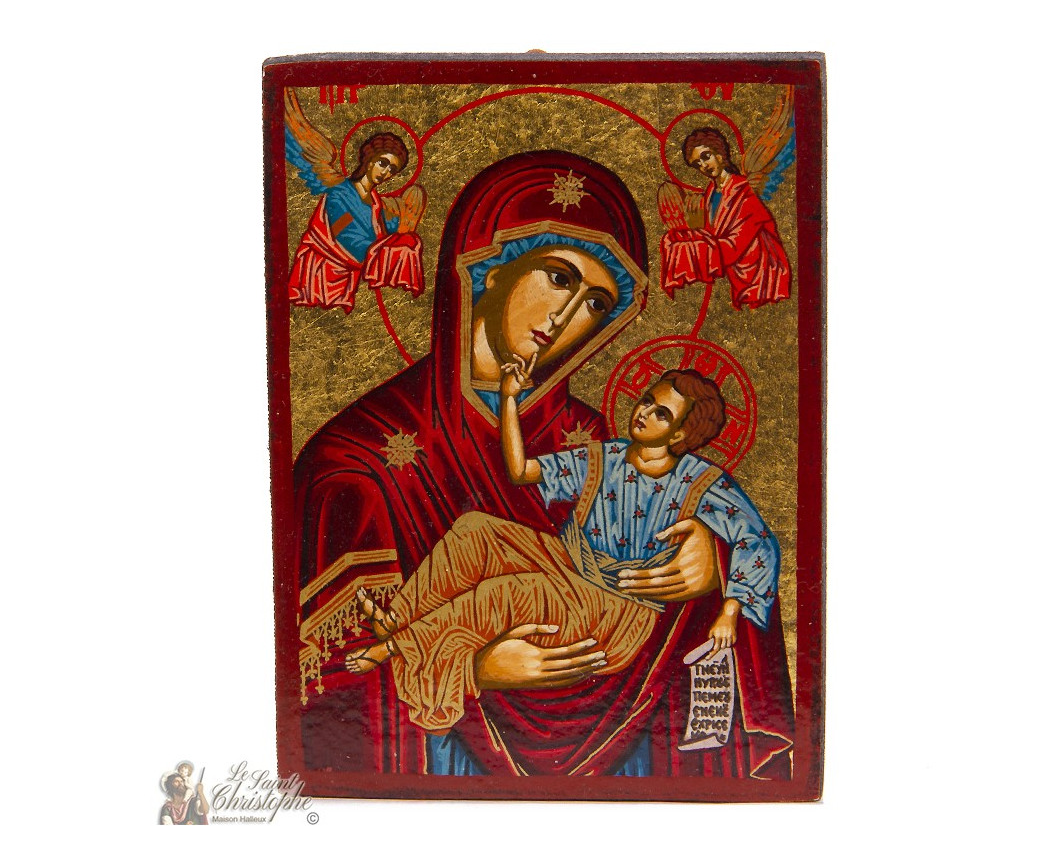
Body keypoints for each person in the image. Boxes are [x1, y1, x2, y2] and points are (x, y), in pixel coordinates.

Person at [290, 150, 793, 779]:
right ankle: (401, 630)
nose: (565, 317)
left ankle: (404, 641)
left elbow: (739, 548)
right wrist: (474, 667)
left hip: (607, 643)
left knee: (509, 588)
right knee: (475, 534)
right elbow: (324, 697)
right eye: (558, 276)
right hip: (445, 757)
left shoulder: (596, 435)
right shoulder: (357, 457)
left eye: (596, 304)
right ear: (489, 268)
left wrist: (712, 566)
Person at [345, 371, 779, 746]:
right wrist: (509, 399)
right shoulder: (605, 456)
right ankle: (397, 619)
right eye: (648, 400)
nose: (644, 412)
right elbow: (522, 472)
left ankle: (397, 647)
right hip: (569, 563)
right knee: (475, 529)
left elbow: (759, 540)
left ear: (681, 434)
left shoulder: (701, 482)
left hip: (615, 609)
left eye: (662, 413)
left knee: (507, 592)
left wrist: (729, 610)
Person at [284, 88, 425, 312]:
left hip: (351, 279)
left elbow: (388, 233)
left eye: (392, 169)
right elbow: (341, 232)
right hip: (324, 275)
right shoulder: (340, 192)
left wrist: (406, 226)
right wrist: (379, 251)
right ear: (369, 160)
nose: (385, 172)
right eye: (383, 163)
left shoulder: (378, 206)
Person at [658, 126, 791, 309]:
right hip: (736, 277)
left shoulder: (744, 192)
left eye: (706, 156)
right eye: (697, 164)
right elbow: (713, 236)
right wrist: (682, 237)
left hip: (761, 280)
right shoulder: (711, 193)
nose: (704, 166)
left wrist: (687, 252)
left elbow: (733, 247)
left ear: (720, 153)